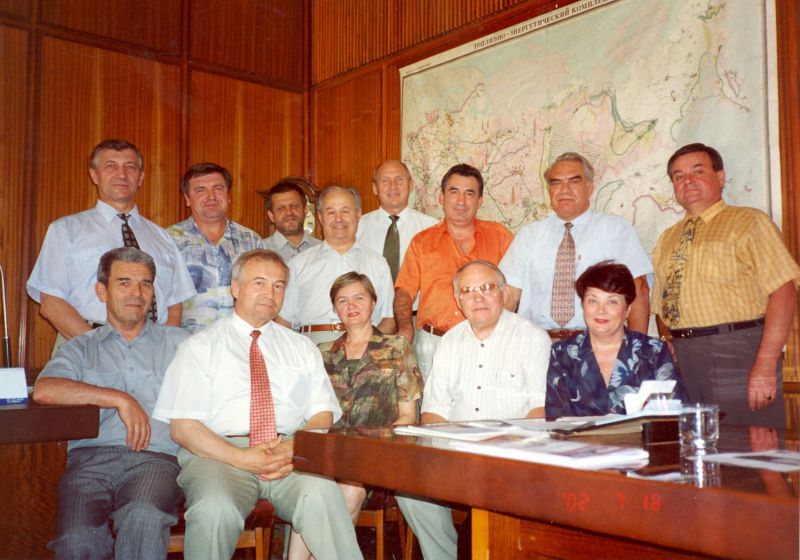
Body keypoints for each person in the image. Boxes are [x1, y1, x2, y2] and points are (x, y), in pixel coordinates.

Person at [153, 249, 362, 560]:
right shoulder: (199, 347)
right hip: (219, 454)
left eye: (278, 286)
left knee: (322, 495)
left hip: (289, 450)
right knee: (214, 510)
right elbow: (183, 428)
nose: (270, 293)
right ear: (235, 288)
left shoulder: (301, 347)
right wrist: (241, 457)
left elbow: (322, 413)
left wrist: (292, 448)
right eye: (260, 283)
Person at [33, 247, 188, 559]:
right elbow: (45, 390)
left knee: (143, 516)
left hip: (156, 461)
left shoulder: (180, 343)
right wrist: (119, 398)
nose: (137, 293)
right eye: (124, 282)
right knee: (77, 540)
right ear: (102, 291)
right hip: (90, 462)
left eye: (145, 284)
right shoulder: (81, 347)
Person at [397, 260, 550, 560]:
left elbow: (540, 409)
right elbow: (434, 411)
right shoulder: (450, 341)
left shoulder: (531, 337)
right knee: (409, 489)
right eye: (468, 291)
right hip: (458, 456)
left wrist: (508, 454)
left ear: (503, 293)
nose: (478, 297)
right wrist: (442, 458)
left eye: (487, 288)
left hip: (510, 457)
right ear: (458, 300)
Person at [652, 143, 800, 428]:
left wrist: (766, 364)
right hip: (685, 357)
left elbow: (784, 291)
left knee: (750, 445)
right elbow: (661, 303)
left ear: (720, 177)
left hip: (738, 350)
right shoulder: (667, 239)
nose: (687, 180)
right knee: (697, 444)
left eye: (697, 171)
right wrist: (668, 339)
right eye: (679, 176)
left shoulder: (749, 222)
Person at [288, 271, 422, 559]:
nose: (351, 306)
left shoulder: (397, 348)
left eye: (359, 298)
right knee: (311, 494)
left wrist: (373, 450)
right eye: (342, 300)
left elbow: (408, 416)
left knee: (350, 492)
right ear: (335, 308)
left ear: (373, 302)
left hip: (377, 455)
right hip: (328, 454)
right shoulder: (322, 353)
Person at [27, 139, 195, 345]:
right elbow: (51, 302)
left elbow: (174, 304)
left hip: (153, 350)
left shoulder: (162, 237)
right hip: (85, 346)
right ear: (94, 175)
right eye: (111, 166)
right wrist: (100, 351)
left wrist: (162, 349)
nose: (121, 174)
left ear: (141, 177)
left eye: (130, 167)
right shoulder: (65, 230)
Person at [500, 152, 652, 339]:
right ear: (549, 190)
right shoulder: (529, 235)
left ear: (589, 188)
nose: (564, 190)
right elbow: (507, 296)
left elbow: (639, 290)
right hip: (536, 342)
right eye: (556, 183)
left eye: (573, 182)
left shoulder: (615, 230)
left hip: (597, 342)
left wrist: (637, 349)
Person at [394, 163, 514, 379]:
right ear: (441, 197)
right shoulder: (422, 242)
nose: (461, 201)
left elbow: (515, 290)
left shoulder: (501, 237)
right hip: (433, 344)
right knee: (433, 401)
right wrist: (405, 328)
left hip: (488, 342)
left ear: (480, 200)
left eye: (470, 193)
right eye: (454, 192)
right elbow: (404, 291)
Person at [546, 261, 688, 418]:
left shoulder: (654, 351)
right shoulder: (562, 353)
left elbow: (673, 415)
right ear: (583, 306)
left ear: (627, 309)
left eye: (611, 302)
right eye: (593, 301)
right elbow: (556, 417)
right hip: (579, 435)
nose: (601, 310)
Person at [279, 186, 395, 343]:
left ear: (358, 214)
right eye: (331, 212)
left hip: (364, 345)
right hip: (311, 345)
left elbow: (388, 319)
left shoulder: (378, 264)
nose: (338, 219)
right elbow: (283, 320)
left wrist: (369, 349)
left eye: (345, 211)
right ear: (320, 217)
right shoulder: (298, 264)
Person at [168, 162, 265, 333]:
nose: (211, 196)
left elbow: (263, 295)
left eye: (218, 188)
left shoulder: (251, 241)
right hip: (187, 343)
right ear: (187, 199)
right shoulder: (168, 240)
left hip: (240, 342)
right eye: (200, 190)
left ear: (228, 196)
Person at [356, 160, 438, 281]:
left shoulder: (432, 228)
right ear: (375, 188)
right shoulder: (357, 227)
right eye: (385, 180)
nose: (393, 186)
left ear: (410, 185)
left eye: (399, 179)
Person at [262, 177, 320, 262]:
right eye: (281, 208)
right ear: (271, 216)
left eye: (294, 206)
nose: (289, 212)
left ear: (305, 210)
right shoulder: (261, 250)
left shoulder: (322, 250)